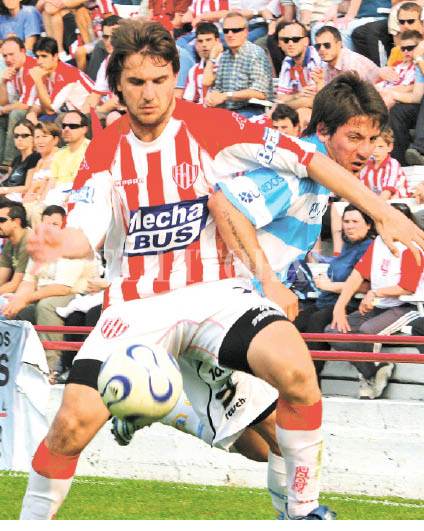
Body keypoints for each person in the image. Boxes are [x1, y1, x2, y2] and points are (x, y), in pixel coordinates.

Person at [19, 20, 424, 522]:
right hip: (137, 305)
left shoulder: (211, 125)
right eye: (136, 82)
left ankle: (301, 513)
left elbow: (306, 158)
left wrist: (382, 212)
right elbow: (87, 229)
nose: (149, 93)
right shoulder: (105, 149)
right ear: (118, 86)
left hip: (217, 293)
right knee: (70, 427)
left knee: (293, 378)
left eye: (160, 79)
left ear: (175, 77)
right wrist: (63, 243)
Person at [326, 203, 423, 399]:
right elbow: (357, 275)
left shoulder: (412, 247)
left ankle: (369, 380)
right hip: (379, 306)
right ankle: (376, 370)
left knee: (366, 331)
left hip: (406, 307)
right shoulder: (378, 242)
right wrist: (339, 306)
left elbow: (407, 287)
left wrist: (376, 293)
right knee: (333, 330)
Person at [2, 204, 98, 380]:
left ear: (63, 226)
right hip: (44, 294)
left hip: (76, 295)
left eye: (55, 224)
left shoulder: (72, 247)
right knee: (13, 309)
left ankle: (52, 366)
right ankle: (14, 364)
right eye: (46, 224)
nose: (50, 229)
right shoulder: (39, 246)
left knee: (46, 306)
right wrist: (18, 300)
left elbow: (62, 287)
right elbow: (28, 281)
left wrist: (26, 299)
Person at [295, 204, 375, 376]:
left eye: (355, 221)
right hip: (326, 301)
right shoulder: (348, 246)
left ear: (368, 225)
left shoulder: (369, 247)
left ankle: (312, 376)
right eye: (346, 221)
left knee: (316, 321)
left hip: (351, 304)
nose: (349, 226)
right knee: (295, 322)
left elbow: (366, 286)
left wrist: (329, 286)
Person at [205, 12, 273, 117]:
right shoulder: (225, 56)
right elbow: (217, 87)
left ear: (246, 32)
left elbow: (261, 93)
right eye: (226, 31)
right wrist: (212, 97)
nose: (230, 34)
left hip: (252, 110)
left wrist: (227, 95)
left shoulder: (256, 54)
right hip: (228, 110)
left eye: (235, 30)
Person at [26, 37, 95, 120]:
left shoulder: (67, 74)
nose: (39, 61)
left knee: (48, 119)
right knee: (28, 118)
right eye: (37, 57)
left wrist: (38, 81)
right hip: (70, 114)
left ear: (55, 56)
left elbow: (50, 110)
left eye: (44, 56)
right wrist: (32, 114)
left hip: (91, 115)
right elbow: (38, 104)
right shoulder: (44, 71)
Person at [275, 19, 323, 120]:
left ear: (306, 41)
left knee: (301, 114)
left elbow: (311, 101)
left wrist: (281, 106)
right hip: (299, 107)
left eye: (296, 39)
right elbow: (281, 97)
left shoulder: (318, 57)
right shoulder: (287, 61)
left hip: (323, 110)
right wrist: (297, 95)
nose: (290, 44)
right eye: (286, 40)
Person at [0, 36, 37, 167]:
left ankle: (8, 163)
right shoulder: (13, 69)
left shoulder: (31, 67)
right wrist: (3, 82)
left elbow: (25, 104)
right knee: (2, 118)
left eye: (12, 54)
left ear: (23, 51)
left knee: (16, 114)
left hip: (45, 108)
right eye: (5, 56)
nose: (8, 59)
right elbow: (5, 102)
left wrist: (3, 109)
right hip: (30, 106)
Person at [46, 110, 90, 206]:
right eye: (64, 126)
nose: (66, 129)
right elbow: (51, 183)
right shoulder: (59, 154)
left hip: (82, 197)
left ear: (84, 129)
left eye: (72, 126)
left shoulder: (92, 150)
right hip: (57, 197)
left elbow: (92, 182)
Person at [23, 120, 61, 226]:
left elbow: (53, 184)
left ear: (55, 139)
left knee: (33, 212)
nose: (40, 141)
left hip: (51, 201)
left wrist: (37, 198)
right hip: (34, 200)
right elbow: (32, 185)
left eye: (44, 136)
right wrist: (27, 197)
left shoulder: (60, 157)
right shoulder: (40, 161)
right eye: (37, 137)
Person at [314, 25, 381, 85]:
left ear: (339, 44)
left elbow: (354, 94)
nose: (321, 49)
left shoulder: (351, 63)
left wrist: (321, 87)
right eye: (318, 46)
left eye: (327, 45)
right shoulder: (327, 66)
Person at [359, 126, 409, 199]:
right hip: (377, 198)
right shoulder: (367, 163)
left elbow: (388, 191)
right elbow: (362, 186)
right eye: (373, 146)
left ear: (390, 147)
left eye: (380, 147)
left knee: (394, 196)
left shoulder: (393, 164)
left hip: (397, 199)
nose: (376, 151)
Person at [182, 22, 222, 104]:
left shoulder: (227, 63)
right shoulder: (194, 70)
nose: (204, 44)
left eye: (208, 40)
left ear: (217, 41)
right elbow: (188, 101)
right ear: (196, 44)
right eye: (200, 41)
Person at [0, 119, 40, 200]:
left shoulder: (35, 157)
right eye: (16, 136)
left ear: (33, 137)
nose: (19, 139)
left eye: (24, 135)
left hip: (16, 198)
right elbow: (7, 180)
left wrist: (5, 190)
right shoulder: (16, 159)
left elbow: (27, 187)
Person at [0, 199, 31, 296]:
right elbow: (2, 277)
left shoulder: (29, 242)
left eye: (1, 220)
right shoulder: (10, 241)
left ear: (16, 222)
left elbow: (15, 284)